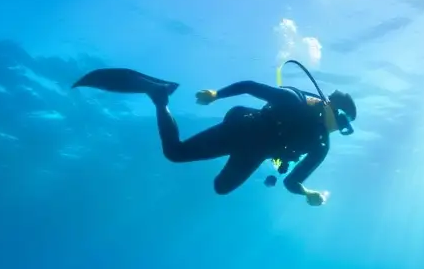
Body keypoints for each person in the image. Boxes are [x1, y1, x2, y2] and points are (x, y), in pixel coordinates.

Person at [71, 68, 357, 205]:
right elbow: (249, 86)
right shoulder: (294, 100)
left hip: (255, 153)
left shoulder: (321, 146)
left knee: (221, 187)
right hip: (244, 128)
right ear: (330, 105)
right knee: (175, 153)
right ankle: (159, 97)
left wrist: (309, 193)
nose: (338, 129)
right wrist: (216, 95)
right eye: (342, 120)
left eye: (345, 128)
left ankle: (159, 95)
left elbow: (293, 181)